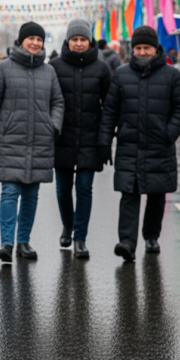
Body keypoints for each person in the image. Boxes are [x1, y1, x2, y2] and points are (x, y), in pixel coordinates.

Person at [99, 26, 180, 262]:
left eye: (146, 47)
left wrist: (168, 134)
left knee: (156, 195)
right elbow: (109, 111)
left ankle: (151, 236)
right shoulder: (121, 74)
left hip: (160, 146)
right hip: (129, 146)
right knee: (129, 194)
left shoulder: (172, 75)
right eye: (137, 48)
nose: (141, 52)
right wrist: (105, 142)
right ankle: (127, 242)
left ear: (155, 48)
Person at [0, 22, 64, 262]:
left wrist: (53, 125)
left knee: (31, 194)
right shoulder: (4, 68)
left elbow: (58, 102)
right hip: (10, 139)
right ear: (21, 40)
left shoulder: (49, 72)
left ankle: (23, 242)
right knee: (9, 191)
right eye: (31, 38)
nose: (35, 42)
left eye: (39, 39)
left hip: (40, 140)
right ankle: (6, 242)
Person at [49, 19, 111, 259]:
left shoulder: (102, 68)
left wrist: (105, 139)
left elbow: (109, 106)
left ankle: (80, 238)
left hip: (90, 139)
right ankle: (68, 224)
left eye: (82, 40)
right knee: (63, 190)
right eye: (74, 39)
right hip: (62, 138)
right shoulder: (53, 66)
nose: (78, 43)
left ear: (89, 41)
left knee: (84, 188)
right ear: (67, 41)